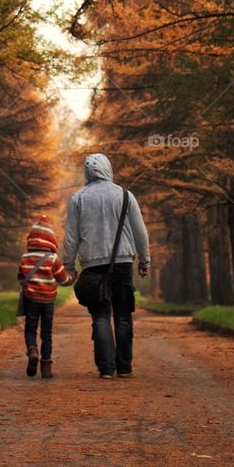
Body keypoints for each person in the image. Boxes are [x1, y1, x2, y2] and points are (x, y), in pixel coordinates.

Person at [63, 153, 151, 379]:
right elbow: (139, 229)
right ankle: (124, 368)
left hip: (93, 266)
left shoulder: (78, 198)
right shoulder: (125, 195)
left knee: (100, 317)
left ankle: (106, 369)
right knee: (123, 316)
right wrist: (144, 259)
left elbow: (71, 236)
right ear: (108, 169)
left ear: (87, 172)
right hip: (122, 263)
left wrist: (69, 264)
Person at [16, 215, 73, 378]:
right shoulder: (53, 258)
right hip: (48, 301)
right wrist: (72, 277)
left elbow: (20, 276)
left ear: (31, 239)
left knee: (30, 329)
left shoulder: (25, 257)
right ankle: (46, 368)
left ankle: (33, 350)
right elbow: (63, 279)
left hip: (31, 299)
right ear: (50, 240)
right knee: (47, 332)